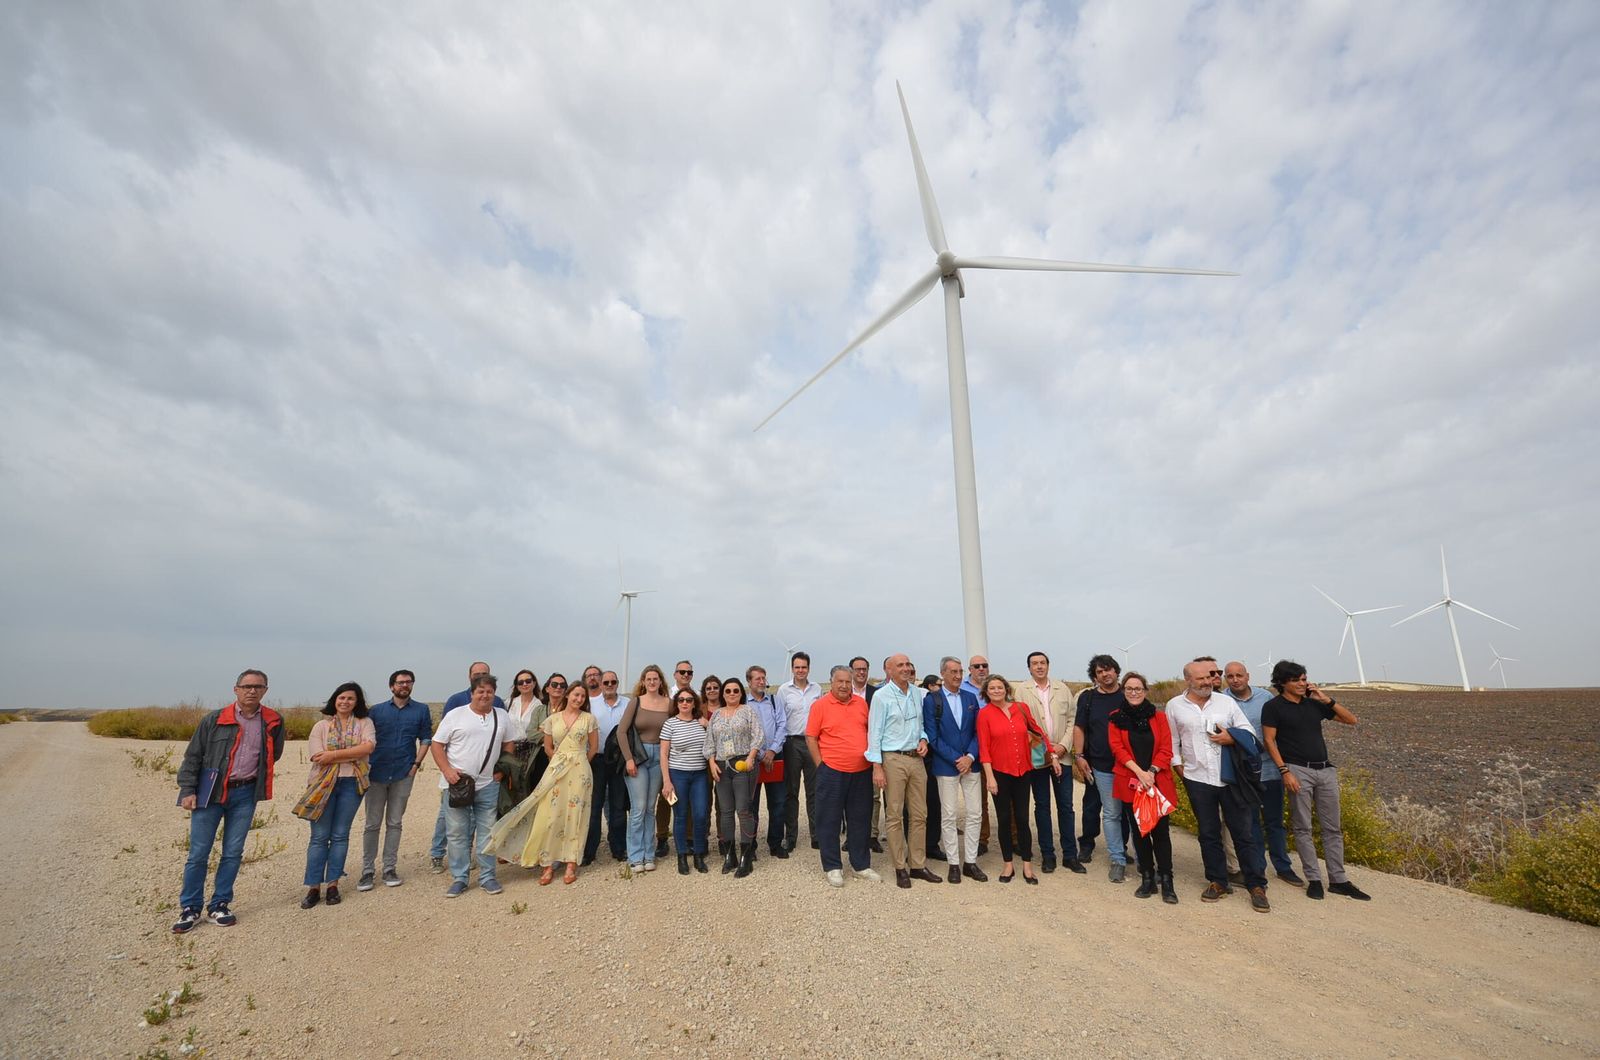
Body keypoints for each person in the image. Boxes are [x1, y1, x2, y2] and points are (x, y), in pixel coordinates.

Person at [172, 670, 286, 933]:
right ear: (235, 689)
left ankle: (219, 905)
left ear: (265, 690)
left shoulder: (273, 720)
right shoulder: (214, 719)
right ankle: (190, 908)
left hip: (245, 794)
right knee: (198, 853)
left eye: (258, 686)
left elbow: (273, 754)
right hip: (209, 793)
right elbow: (193, 756)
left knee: (233, 852)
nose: (252, 691)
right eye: (246, 686)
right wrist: (188, 789)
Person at [1262, 661, 1371, 902]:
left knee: (1333, 827)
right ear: (1282, 682)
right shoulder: (1273, 707)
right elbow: (1270, 741)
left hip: (1325, 770)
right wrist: (1284, 771)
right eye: (1297, 680)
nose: (1302, 684)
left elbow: (1351, 720)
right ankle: (1313, 879)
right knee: (1303, 827)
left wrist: (1325, 698)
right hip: (1297, 770)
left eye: (1304, 679)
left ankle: (1338, 880)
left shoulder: (1314, 705)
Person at [1167, 661, 1271, 911]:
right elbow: (1172, 740)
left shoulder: (1226, 702)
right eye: (1201, 678)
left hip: (1230, 779)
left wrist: (1230, 737)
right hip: (1197, 779)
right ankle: (1217, 881)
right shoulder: (1174, 706)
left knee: (1243, 834)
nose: (1207, 682)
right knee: (1208, 834)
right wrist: (1178, 766)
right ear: (1188, 680)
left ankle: (1256, 884)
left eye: (1210, 677)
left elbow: (1248, 731)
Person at [484, 683, 600, 886]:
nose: (579, 698)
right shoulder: (552, 719)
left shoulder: (589, 719)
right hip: (556, 769)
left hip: (580, 771)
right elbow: (547, 747)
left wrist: (579, 762)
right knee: (550, 815)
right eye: (576, 694)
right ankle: (547, 863)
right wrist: (559, 760)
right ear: (568, 695)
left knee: (576, 816)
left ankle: (571, 862)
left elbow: (594, 747)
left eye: (582, 696)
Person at [430, 673, 515, 897]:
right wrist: (447, 771)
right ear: (472, 693)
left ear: (494, 694)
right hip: (457, 784)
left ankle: (488, 876)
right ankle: (460, 878)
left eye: (489, 691)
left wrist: (501, 770)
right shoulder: (455, 715)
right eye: (480, 691)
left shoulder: (502, 716)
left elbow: (509, 744)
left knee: (488, 831)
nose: (485, 695)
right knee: (457, 832)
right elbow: (437, 745)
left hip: (488, 784)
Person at [1219, 660, 1302, 886]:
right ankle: (1257, 869)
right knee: (1251, 824)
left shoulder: (1265, 698)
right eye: (1230, 676)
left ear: (1248, 676)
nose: (1235, 680)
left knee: (1275, 822)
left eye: (1239, 675)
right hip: (1244, 775)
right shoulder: (1222, 701)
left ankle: (1283, 867)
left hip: (1270, 770)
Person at [297, 682, 377, 909]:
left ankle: (333, 884)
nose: (345, 702)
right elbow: (317, 756)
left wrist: (334, 755)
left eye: (350, 699)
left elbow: (368, 748)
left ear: (357, 702)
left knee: (341, 835)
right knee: (319, 837)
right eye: (341, 698)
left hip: (352, 783)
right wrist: (351, 754)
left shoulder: (365, 723)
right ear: (335, 700)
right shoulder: (321, 726)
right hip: (322, 785)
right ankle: (313, 887)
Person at [867, 653, 941, 889]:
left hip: (916, 759)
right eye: (900, 665)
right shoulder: (881, 697)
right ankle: (900, 866)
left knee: (920, 814)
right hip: (892, 759)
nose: (906, 668)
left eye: (908, 664)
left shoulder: (918, 694)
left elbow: (920, 725)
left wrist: (924, 739)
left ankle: (917, 865)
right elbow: (874, 733)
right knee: (895, 815)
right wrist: (877, 766)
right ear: (889, 670)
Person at [1106, 672, 1179, 903]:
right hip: (1131, 781)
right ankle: (1147, 877)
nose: (1133, 692)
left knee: (1161, 833)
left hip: (1158, 782)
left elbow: (1167, 748)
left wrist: (1152, 772)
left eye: (1138, 688)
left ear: (1145, 691)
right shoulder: (1115, 718)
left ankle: (1166, 879)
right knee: (1139, 833)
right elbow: (1118, 750)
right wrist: (1140, 773)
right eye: (1129, 688)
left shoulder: (1159, 717)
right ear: (1123, 691)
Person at [358, 669, 433, 892]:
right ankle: (367, 871)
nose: (404, 685)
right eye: (400, 682)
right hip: (376, 773)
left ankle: (389, 868)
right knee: (372, 824)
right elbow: (364, 739)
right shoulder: (376, 711)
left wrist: (416, 765)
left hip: (403, 773)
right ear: (392, 686)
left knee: (395, 823)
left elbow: (426, 738)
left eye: (409, 682)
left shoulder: (421, 710)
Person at [1012, 651, 1086, 875]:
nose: (1039, 667)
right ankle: (1048, 855)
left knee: (1066, 807)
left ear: (1048, 665)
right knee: (1042, 807)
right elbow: (1022, 724)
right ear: (1029, 668)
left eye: (1042, 663)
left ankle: (1070, 855)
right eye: (1034, 664)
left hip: (1061, 756)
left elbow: (1072, 720)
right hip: (1038, 757)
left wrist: (1063, 746)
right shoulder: (1022, 691)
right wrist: (1045, 749)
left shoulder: (1062, 689)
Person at [977, 674, 1053, 884]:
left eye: (999, 687)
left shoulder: (1020, 708)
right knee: (1003, 819)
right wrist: (990, 778)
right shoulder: (984, 715)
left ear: (1006, 689)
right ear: (986, 692)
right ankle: (1007, 864)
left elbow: (1038, 731)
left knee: (1021, 818)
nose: (996, 691)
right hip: (1000, 773)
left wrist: (1052, 754)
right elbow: (984, 748)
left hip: (1023, 771)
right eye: (991, 688)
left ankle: (1027, 866)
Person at [807, 665, 878, 887]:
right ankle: (833, 866)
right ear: (832, 682)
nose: (845, 686)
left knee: (860, 820)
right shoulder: (820, 706)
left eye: (848, 681)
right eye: (840, 681)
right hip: (832, 771)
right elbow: (811, 737)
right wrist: (821, 765)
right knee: (829, 820)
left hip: (861, 772)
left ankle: (860, 864)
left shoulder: (861, 704)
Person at [925, 656, 985, 884]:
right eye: (953, 672)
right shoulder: (933, 700)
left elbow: (978, 732)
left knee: (975, 813)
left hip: (971, 764)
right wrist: (955, 758)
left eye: (960, 671)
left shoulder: (971, 698)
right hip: (946, 766)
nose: (958, 676)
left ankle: (970, 862)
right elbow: (932, 736)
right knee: (948, 815)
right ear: (943, 674)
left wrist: (970, 757)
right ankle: (953, 863)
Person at [1072, 654, 1133, 877]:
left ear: (1116, 671)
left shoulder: (1128, 696)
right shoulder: (1088, 698)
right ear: (1094, 676)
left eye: (1108, 670)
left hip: (1126, 765)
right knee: (1092, 806)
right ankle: (1087, 843)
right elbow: (1079, 727)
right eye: (1099, 671)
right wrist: (1079, 755)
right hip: (1096, 762)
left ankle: (1121, 848)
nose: (1105, 674)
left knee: (1123, 810)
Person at [618, 665, 672, 872]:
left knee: (650, 807)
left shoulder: (669, 703)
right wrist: (629, 759)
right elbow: (622, 732)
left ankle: (649, 854)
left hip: (660, 757)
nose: (652, 682)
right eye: (648, 679)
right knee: (638, 808)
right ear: (643, 681)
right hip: (639, 757)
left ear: (660, 681)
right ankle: (635, 855)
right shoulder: (636, 702)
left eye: (655, 679)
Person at [708, 677, 763, 878]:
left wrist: (751, 757)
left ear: (741, 693)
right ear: (723, 694)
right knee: (726, 811)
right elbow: (710, 741)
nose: (732, 694)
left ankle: (746, 857)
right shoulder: (716, 715)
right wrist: (712, 763)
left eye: (736, 691)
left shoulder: (748, 711)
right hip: (722, 766)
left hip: (743, 764)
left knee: (743, 810)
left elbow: (758, 735)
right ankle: (729, 854)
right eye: (728, 691)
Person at [660, 689, 712, 875]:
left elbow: (713, 741)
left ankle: (698, 854)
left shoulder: (702, 723)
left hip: (699, 775)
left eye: (689, 700)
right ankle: (681, 855)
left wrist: (707, 724)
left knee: (699, 815)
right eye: (681, 700)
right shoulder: (670, 724)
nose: (685, 703)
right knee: (680, 815)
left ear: (694, 703)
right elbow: (664, 754)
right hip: (678, 774)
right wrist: (667, 781)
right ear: (676, 703)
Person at [778, 652, 823, 853]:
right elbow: (780, 718)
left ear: (809, 668)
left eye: (804, 667)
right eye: (797, 667)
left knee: (814, 792)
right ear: (792, 669)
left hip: (812, 743)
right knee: (791, 792)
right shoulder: (783, 690)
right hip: (792, 743)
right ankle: (791, 836)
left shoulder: (817, 689)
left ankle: (816, 835)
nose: (800, 670)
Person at [586, 669, 631, 865]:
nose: (610, 685)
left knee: (618, 806)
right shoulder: (591, 705)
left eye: (613, 682)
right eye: (606, 682)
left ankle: (619, 847)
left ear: (617, 683)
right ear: (601, 684)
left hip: (619, 760)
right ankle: (589, 851)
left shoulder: (627, 704)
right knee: (594, 807)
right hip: (596, 759)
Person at [746, 665, 789, 859]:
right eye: (757, 679)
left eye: (763, 678)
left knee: (778, 803)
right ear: (749, 681)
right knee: (751, 804)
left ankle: (775, 843)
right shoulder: (743, 704)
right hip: (752, 759)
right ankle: (750, 845)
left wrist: (772, 750)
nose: (762, 682)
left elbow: (782, 725)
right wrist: (761, 754)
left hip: (775, 757)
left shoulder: (774, 700)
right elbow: (744, 733)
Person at [498, 670, 551, 818]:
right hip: (509, 750)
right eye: (521, 682)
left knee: (528, 789)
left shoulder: (540, 705)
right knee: (509, 790)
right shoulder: (508, 703)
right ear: (516, 685)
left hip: (531, 751)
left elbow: (542, 730)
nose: (525, 684)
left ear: (534, 683)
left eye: (528, 681)